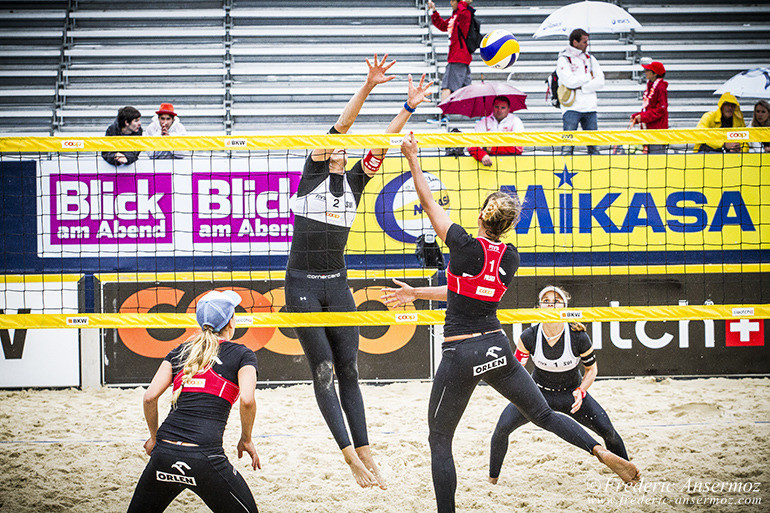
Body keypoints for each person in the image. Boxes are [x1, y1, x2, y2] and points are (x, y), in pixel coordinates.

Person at [389, 132, 640, 512]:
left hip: (461, 351)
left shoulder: (463, 246)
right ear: (507, 227)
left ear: (480, 217)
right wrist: (416, 294)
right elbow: (463, 290)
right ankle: (599, 451)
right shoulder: (510, 257)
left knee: (440, 440)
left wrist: (411, 157)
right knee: (542, 414)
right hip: (497, 346)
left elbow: (427, 202)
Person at [285, 54, 432, 490]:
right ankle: (349, 456)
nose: (340, 148)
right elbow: (344, 125)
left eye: (343, 149)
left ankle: (366, 451)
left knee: (349, 371)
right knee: (324, 370)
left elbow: (381, 143)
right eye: (335, 144)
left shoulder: (355, 182)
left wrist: (408, 107)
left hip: (338, 284)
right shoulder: (312, 174)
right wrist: (368, 86)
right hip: (302, 286)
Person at [126, 290, 261, 513]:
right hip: (205, 457)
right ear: (230, 322)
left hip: (164, 453)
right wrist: (246, 439)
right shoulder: (242, 354)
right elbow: (247, 400)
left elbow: (149, 397)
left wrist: (154, 437)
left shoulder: (178, 352)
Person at [488, 285, 630, 484]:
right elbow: (516, 369)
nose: (551, 304)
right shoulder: (529, 336)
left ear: (565, 306)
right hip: (537, 395)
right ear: (539, 307)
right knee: (501, 429)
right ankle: (492, 481)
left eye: (556, 300)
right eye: (546, 301)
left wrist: (582, 390)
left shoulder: (578, 336)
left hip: (571, 395)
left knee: (608, 431)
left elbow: (592, 370)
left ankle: (628, 472)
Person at [557, 28, 604, 155]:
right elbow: (569, 82)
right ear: (575, 42)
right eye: (584, 42)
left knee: (594, 146)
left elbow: (601, 81)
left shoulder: (591, 58)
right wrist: (589, 77)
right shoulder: (564, 59)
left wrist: (582, 87)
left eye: (587, 41)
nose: (586, 44)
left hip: (590, 107)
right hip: (571, 107)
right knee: (567, 146)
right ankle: (565, 172)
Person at [428, 0, 473, 102]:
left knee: (447, 86)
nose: (450, 3)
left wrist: (462, 2)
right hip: (461, 58)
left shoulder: (464, 14)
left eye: (453, 0)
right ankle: (478, 114)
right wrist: (434, 11)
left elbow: (463, 11)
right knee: (467, 89)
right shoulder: (456, 16)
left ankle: (442, 115)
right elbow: (443, 25)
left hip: (457, 57)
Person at [468, 96, 524, 166]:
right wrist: (482, 155)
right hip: (487, 164)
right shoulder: (482, 123)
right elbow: (471, 146)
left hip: (511, 163)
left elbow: (518, 148)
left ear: (509, 109)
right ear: (492, 107)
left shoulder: (516, 121)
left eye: (503, 108)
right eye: (496, 107)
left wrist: (492, 149)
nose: (499, 110)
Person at [630, 61, 668, 154]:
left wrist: (643, 117)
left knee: (657, 159)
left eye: (648, 70)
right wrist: (637, 116)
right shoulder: (651, 86)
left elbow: (661, 109)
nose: (645, 72)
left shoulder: (660, 87)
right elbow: (650, 108)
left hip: (657, 131)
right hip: (649, 129)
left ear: (655, 74)